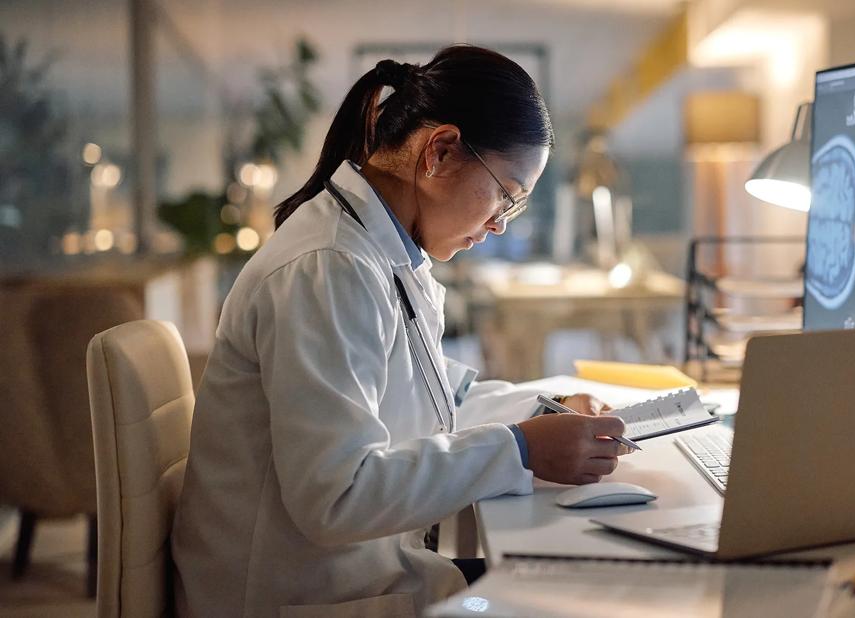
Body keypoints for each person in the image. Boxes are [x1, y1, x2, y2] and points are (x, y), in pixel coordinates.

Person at [171, 45, 631, 617]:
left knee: (567, 576)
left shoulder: (379, 251)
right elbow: (336, 497)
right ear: (439, 151)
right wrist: (519, 450)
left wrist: (547, 409)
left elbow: (443, 397)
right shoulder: (330, 267)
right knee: (575, 594)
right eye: (506, 197)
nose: (497, 224)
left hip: (349, 571)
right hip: (291, 594)